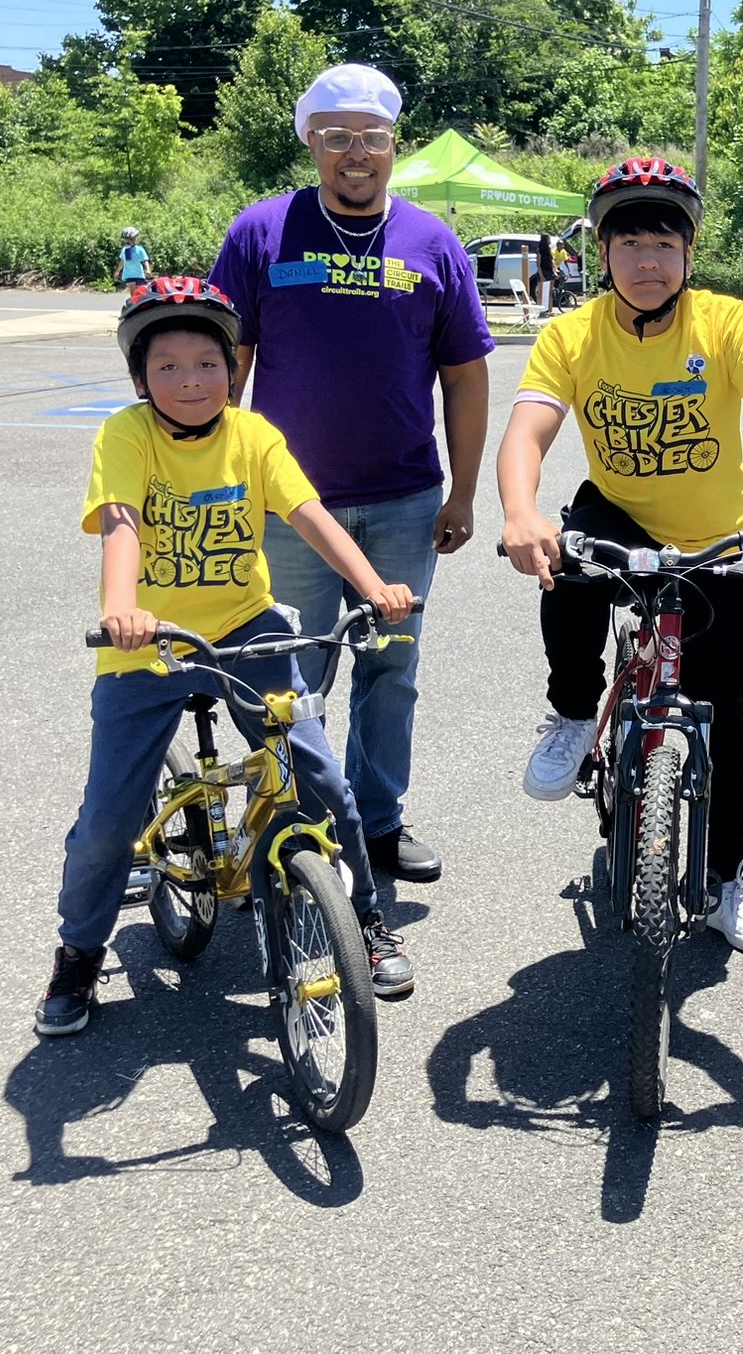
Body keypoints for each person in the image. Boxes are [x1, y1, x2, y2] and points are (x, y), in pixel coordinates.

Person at [36, 276, 420, 1037]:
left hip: (247, 627)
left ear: (233, 369)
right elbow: (121, 523)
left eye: (207, 362)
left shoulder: (254, 437)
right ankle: (79, 951)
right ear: (139, 376)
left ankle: (366, 922)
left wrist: (374, 586)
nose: (190, 380)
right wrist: (123, 608)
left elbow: (307, 513)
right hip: (148, 641)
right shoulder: (126, 435)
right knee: (109, 821)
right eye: (168, 366)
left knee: (323, 782)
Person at [497, 157, 743, 954]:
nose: (647, 262)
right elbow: (529, 431)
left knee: (723, 710)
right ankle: (577, 712)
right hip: (622, 519)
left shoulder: (722, 322)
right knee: (570, 553)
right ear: (600, 252)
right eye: (629, 243)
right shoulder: (572, 334)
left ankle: (723, 883)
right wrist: (517, 510)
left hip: (716, 539)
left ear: (688, 253)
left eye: (664, 243)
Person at [210, 64, 493, 886]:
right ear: (310, 143)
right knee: (290, 678)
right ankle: (302, 828)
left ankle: (377, 822)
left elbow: (466, 375)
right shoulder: (261, 232)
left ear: (393, 145)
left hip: (406, 501)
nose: (355, 153)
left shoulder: (432, 242)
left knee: (389, 670)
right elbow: (228, 365)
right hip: (289, 506)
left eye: (370, 137)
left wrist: (465, 492)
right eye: (336, 137)